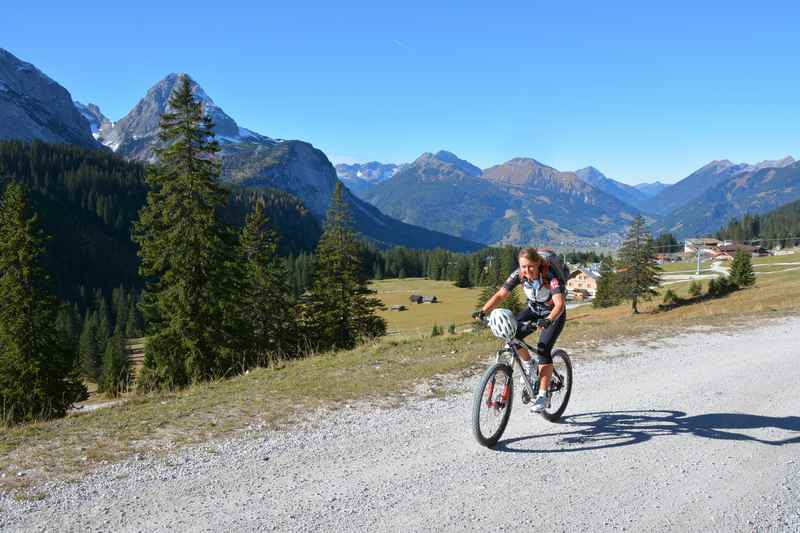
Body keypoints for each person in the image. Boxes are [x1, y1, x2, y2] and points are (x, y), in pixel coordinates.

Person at [474, 248, 567, 413]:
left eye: (530, 266)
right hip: (533, 309)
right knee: (512, 334)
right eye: (523, 266)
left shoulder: (550, 276)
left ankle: (543, 396)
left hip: (553, 314)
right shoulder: (519, 275)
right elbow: (500, 295)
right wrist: (483, 311)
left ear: (538, 263)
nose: (527, 270)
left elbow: (559, 304)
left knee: (543, 349)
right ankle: (529, 364)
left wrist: (548, 320)